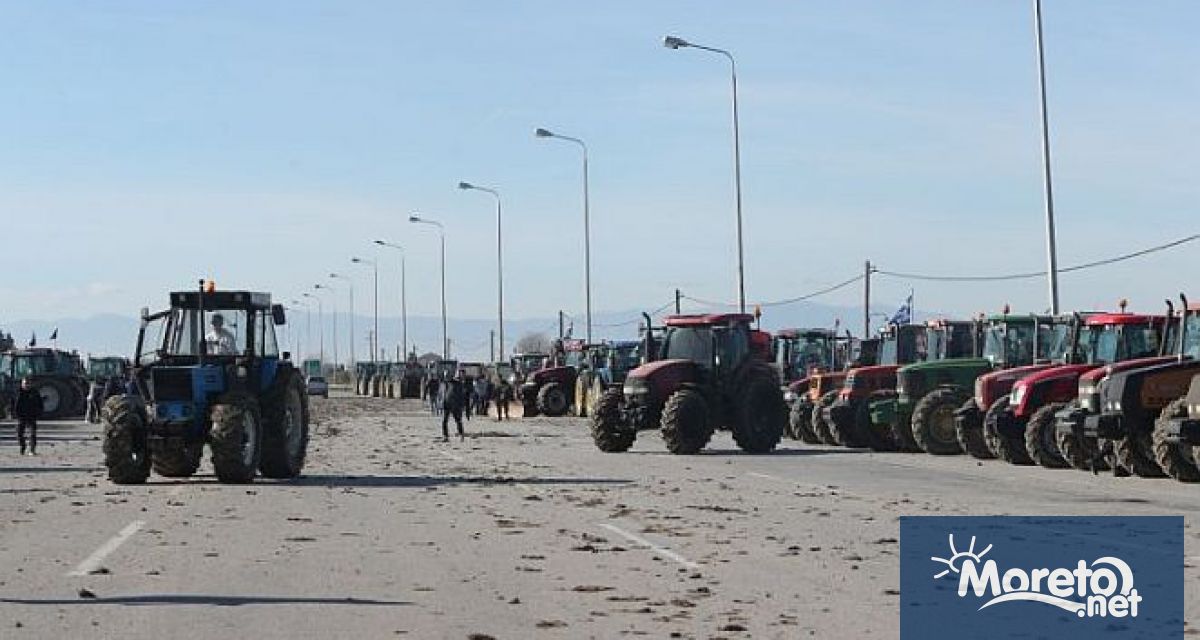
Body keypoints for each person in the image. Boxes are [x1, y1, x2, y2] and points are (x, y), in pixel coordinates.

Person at [13, 378, 44, 456]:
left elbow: (40, 404)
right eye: (25, 383)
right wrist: (14, 414)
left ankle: (32, 450)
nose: (26, 385)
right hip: (21, 416)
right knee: (19, 433)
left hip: (32, 416)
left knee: (32, 433)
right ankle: (23, 446)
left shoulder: (34, 392)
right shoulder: (18, 393)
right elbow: (13, 404)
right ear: (22, 384)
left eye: (28, 383)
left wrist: (39, 413)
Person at [441, 371, 467, 441]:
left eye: (447, 376)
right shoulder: (445, 383)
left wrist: (461, 405)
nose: (446, 377)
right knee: (444, 421)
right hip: (447, 404)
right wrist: (443, 403)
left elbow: (461, 395)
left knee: (458, 421)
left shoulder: (457, 383)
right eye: (445, 376)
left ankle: (461, 435)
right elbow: (444, 394)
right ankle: (445, 436)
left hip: (455, 405)